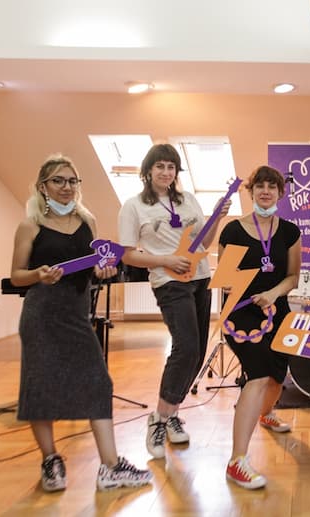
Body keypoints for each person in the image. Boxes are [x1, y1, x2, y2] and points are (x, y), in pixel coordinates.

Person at [10, 155, 153, 492]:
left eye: (72, 181)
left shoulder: (87, 221)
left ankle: (111, 467)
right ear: (42, 187)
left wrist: (103, 271)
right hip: (42, 315)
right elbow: (16, 276)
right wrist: (37, 275)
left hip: (76, 315)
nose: (66, 187)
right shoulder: (30, 225)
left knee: (98, 382)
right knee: (40, 387)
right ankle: (50, 460)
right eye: (58, 181)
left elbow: (95, 266)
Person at [118, 143, 230, 459]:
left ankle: (171, 414)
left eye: (171, 167)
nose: (166, 172)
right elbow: (127, 255)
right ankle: (158, 419)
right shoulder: (133, 206)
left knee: (197, 353)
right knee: (186, 348)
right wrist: (166, 260)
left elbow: (204, 242)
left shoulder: (188, 199)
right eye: (160, 166)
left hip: (200, 279)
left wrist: (217, 218)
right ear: (147, 171)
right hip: (168, 283)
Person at [217, 165, 301, 489]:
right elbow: (225, 280)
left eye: (272, 186)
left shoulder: (290, 232)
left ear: (280, 192)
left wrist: (273, 293)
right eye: (260, 186)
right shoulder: (232, 231)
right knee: (259, 375)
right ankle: (236, 461)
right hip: (242, 313)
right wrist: (231, 283)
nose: (266, 191)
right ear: (251, 192)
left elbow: (292, 277)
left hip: (277, 309)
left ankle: (266, 413)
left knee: (278, 376)